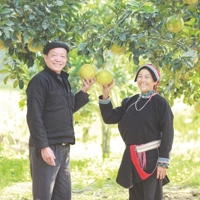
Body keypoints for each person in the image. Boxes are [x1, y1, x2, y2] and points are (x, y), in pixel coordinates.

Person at [26, 41, 95, 200]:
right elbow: (34, 116)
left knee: (63, 196)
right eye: (54, 55)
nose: (58, 59)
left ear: (66, 59)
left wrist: (84, 90)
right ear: (45, 57)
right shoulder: (40, 81)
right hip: (47, 146)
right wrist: (43, 146)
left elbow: (67, 108)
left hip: (63, 147)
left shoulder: (64, 81)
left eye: (62, 56)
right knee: (44, 195)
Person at [98, 64, 174, 200]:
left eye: (147, 77)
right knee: (135, 197)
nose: (142, 80)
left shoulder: (161, 103)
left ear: (155, 81)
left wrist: (163, 162)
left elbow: (168, 132)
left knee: (151, 197)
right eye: (139, 76)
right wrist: (105, 94)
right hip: (131, 158)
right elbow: (109, 117)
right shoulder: (130, 102)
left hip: (152, 159)